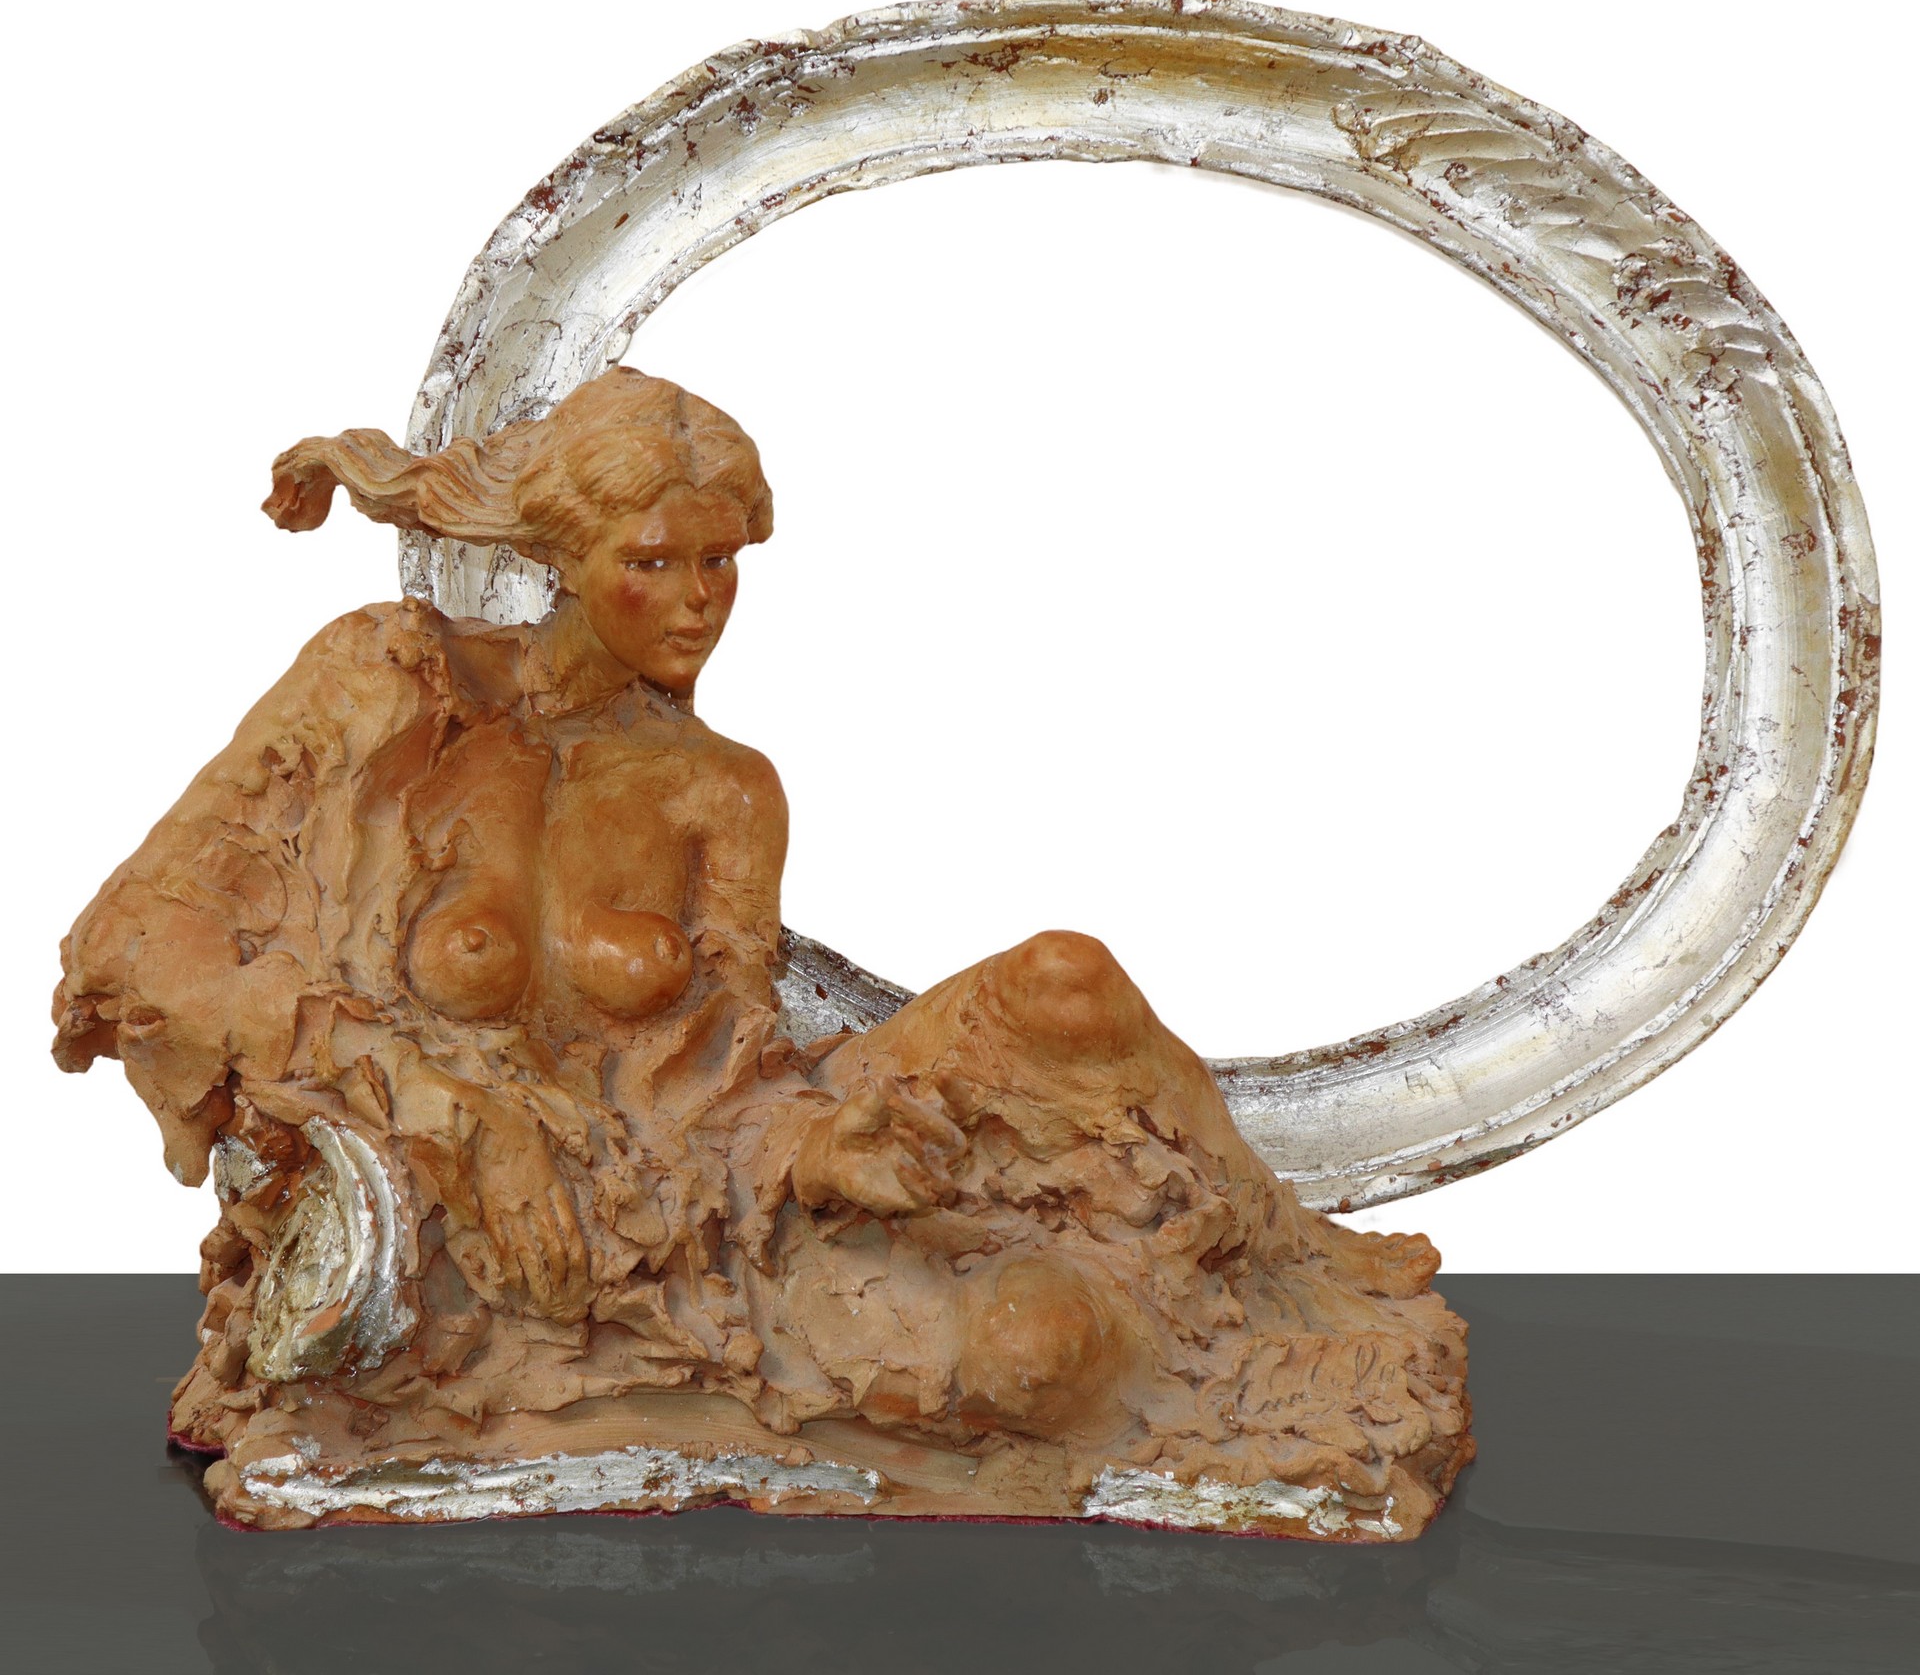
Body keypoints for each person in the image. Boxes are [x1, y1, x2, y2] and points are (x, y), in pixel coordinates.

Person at [54, 367, 1468, 1526]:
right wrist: (450, 1107)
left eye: (721, 562)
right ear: (561, 557)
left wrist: (828, 1152)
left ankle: (1283, 1254)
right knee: (1033, 1353)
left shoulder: (723, 791)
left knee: (1066, 986)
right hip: (470, 1234)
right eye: (652, 562)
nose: (698, 600)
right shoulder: (388, 682)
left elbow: (733, 1076)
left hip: (686, 1212)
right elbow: (131, 940)